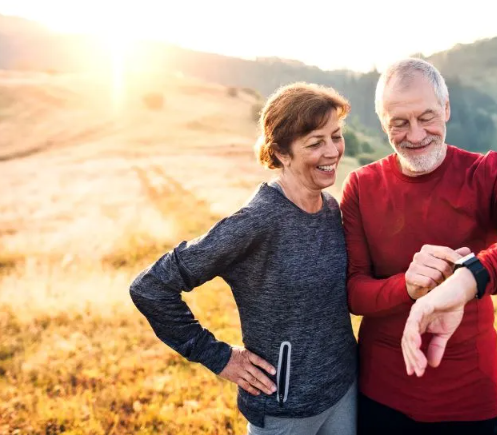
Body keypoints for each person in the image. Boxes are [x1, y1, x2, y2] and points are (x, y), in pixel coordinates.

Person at [339, 58, 497, 434]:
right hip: (381, 394)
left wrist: (470, 278)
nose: (414, 135)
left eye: (426, 116)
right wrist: (407, 287)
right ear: (383, 123)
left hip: (468, 399)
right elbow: (354, 293)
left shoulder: (488, 174)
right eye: (399, 122)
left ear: (446, 109)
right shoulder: (361, 186)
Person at [130, 82, 358, 435]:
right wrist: (219, 357)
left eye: (336, 136)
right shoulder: (256, 221)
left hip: (344, 392)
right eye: (315, 143)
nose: (332, 151)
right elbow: (151, 287)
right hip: (284, 409)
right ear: (282, 153)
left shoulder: (329, 207)